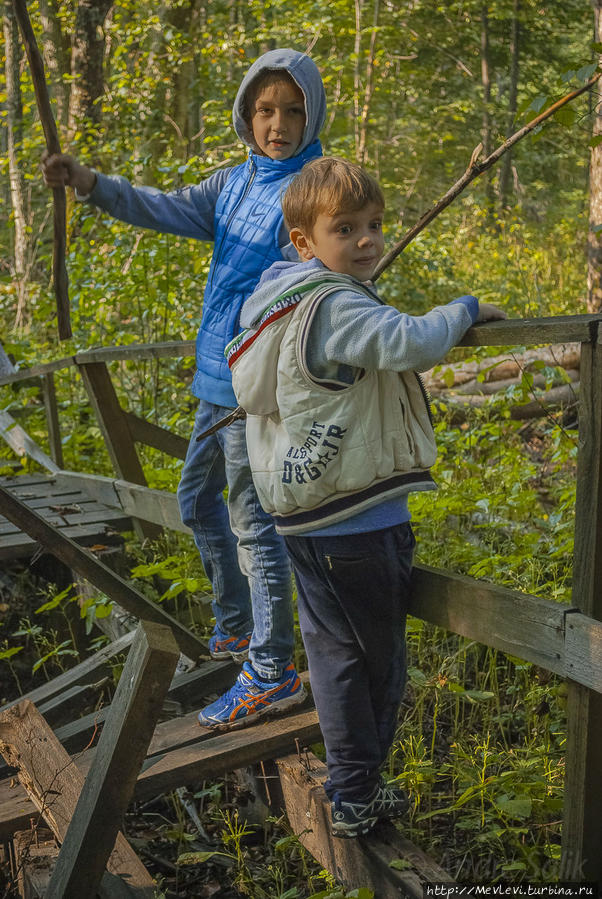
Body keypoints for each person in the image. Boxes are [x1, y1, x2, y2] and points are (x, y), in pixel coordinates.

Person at [42, 49, 327, 724]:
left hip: (258, 387)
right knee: (197, 501)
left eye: (292, 110)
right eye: (265, 109)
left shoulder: (317, 186)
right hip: (214, 379)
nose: (278, 123)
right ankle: (235, 624)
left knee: (255, 525)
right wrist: (86, 180)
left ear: (312, 114)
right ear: (246, 114)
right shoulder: (230, 186)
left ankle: (272, 666)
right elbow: (158, 207)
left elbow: (345, 262)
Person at [226, 156, 507, 837]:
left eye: (375, 224)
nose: (368, 240)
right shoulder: (336, 303)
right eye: (345, 228)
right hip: (359, 519)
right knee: (379, 662)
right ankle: (356, 793)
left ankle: (349, 781)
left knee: (332, 653)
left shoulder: (280, 305)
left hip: (307, 517)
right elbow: (409, 342)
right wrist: (464, 308)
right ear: (304, 243)